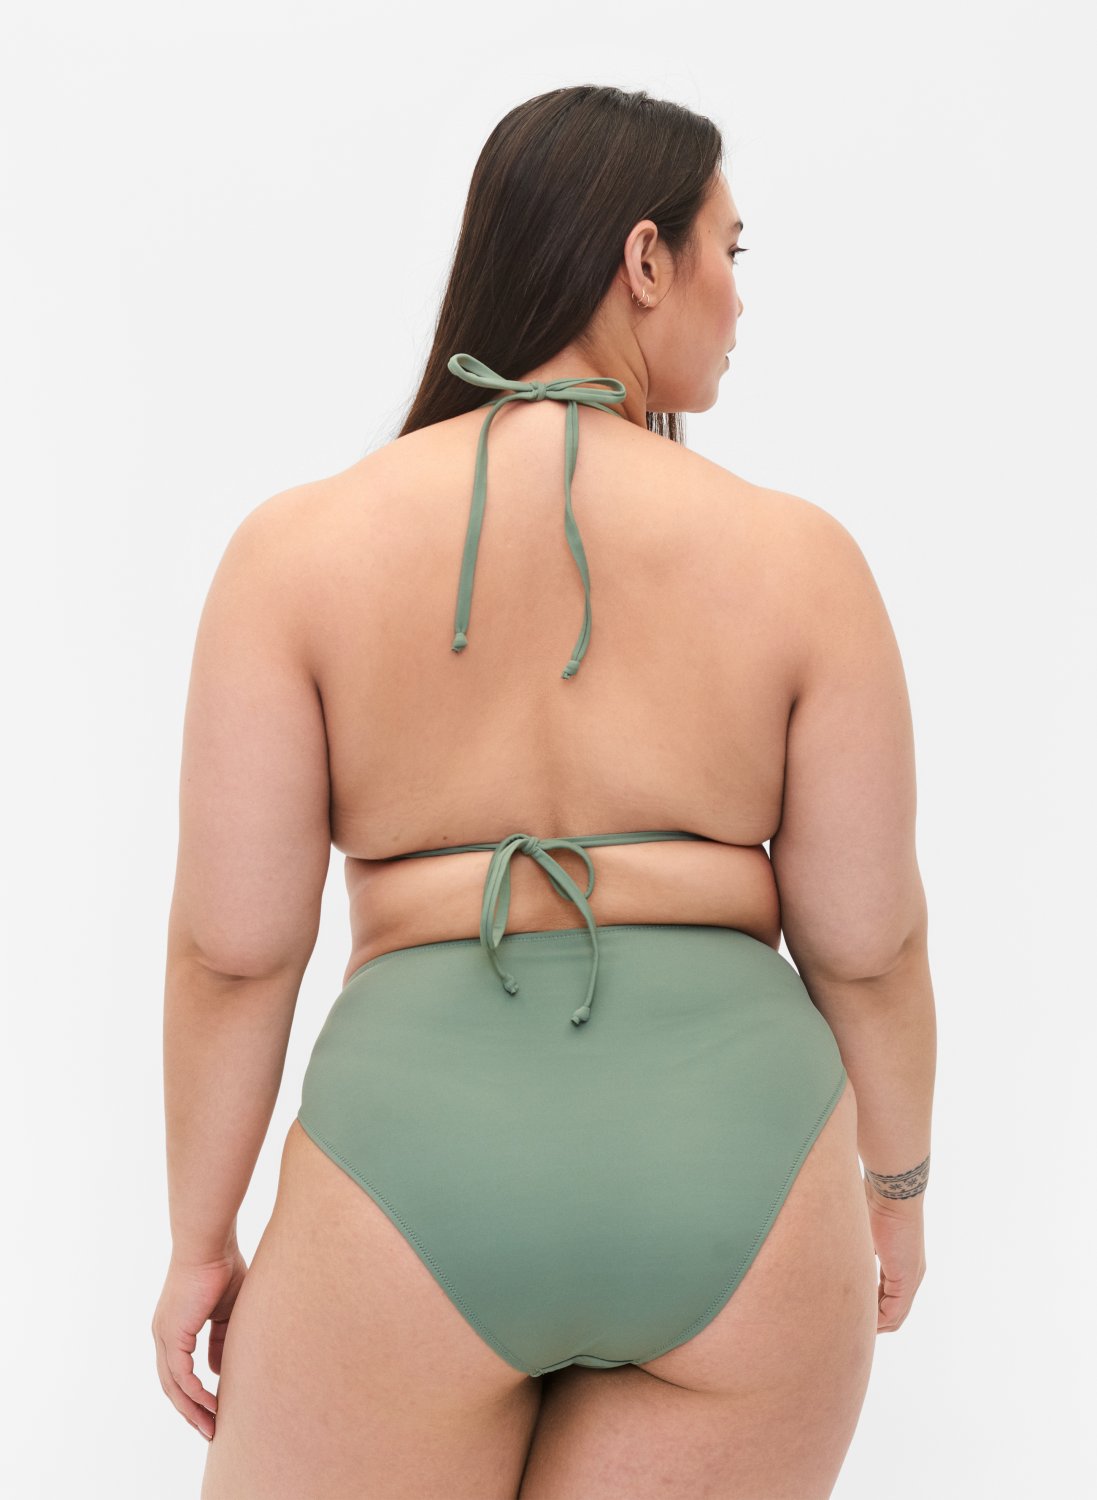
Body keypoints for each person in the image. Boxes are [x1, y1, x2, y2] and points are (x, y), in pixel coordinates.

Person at [152, 84, 936, 1500]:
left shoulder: (297, 552)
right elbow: (869, 946)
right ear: (645, 261)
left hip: (411, 1172)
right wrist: (892, 1191)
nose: (740, 300)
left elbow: (234, 949)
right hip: (742, 1172)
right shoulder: (800, 560)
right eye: (729, 252)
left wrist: (199, 1239)